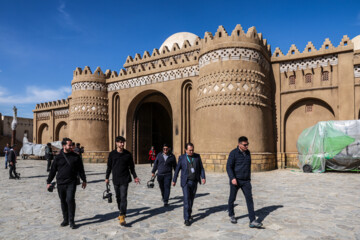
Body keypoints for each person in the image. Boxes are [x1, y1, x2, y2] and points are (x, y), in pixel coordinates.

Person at [47, 138, 87, 229]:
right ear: (64, 146)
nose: (71, 146)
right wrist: (48, 182)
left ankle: (72, 221)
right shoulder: (58, 157)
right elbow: (53, 171)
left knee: (70, 200)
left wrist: (84, 180)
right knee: (63, 201)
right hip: (60, 183)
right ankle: (66, 219)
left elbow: (81, 169)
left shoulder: (76, 157)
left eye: (71, 145)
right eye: (69, 145)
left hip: (71, 182)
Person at [226, 136, 263, 228]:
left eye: (247, 144)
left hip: (246, 181)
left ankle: (252, 220)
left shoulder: (248, 153)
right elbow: (228, 167)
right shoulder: (233, 153)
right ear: (239, 144)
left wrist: (249, 179)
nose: (247, 146)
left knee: (249, 199)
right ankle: (231, 215)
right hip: (236, 180)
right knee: (232, 198)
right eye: (245, 145)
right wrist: (232, 178)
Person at [105, 136, 140, 226]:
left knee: (123, 197)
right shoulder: (112, 154)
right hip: (116, 179)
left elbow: (132, 167)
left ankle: (122, 215)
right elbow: (109, 167)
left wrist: (135, 177)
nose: (122, 144)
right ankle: (121, 210)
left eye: (123, 142)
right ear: (116, 143)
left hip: (125, 178)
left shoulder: (127, 154)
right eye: (120, 142)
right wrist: (107, 177)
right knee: (118, 197)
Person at [172, 143, 206, 226]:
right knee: (186, 199)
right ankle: (186, 219)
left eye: (192, 150)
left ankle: (189, 214)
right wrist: (174, 180)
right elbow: (177, 169)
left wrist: (203, 177)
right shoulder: (182, 158)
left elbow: (201, 168)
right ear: (185, 150)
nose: (191, 151)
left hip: (194, 181)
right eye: (190, 150)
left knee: (191, 199)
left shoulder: (197, 157)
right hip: (186, 182)